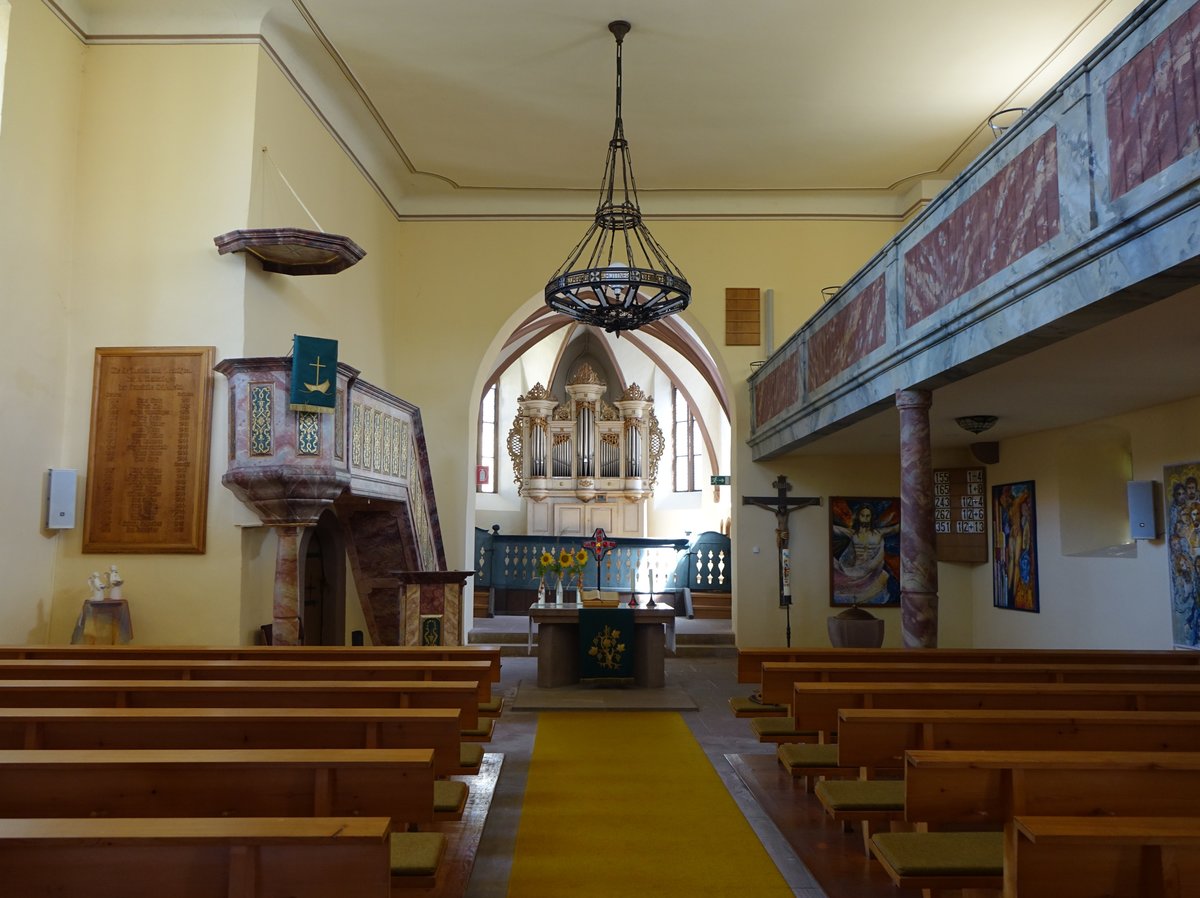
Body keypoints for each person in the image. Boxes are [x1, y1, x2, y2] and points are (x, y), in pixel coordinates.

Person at [831, 503, 900, 605]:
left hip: (873, 572)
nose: (865, 518)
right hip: (854, 571)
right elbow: (834, 528)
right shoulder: (852, 534)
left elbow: (896, 528)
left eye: (868, 516)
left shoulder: (879, 533)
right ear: (858, 517)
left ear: (871, 517)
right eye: (862, 515)